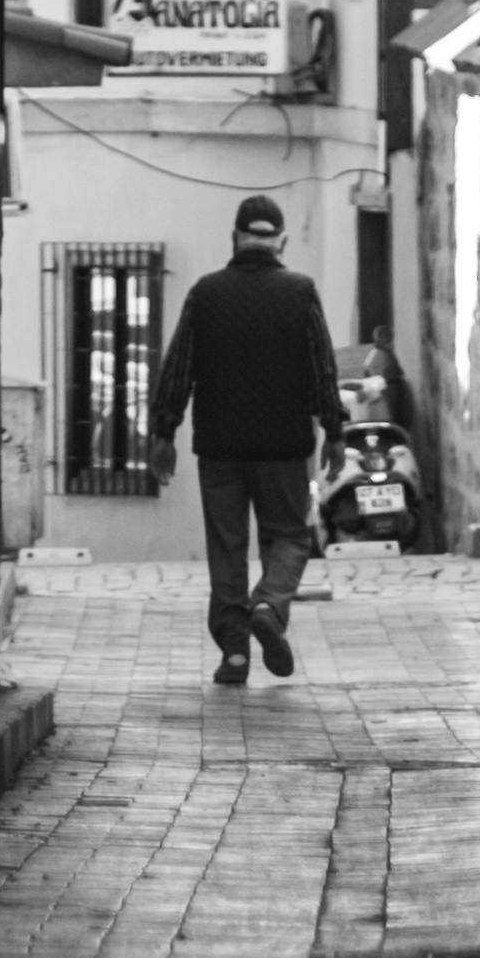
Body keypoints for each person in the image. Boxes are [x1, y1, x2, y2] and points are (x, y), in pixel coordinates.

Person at [150, 191, 341, 688]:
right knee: (290, 536)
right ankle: (270, 606)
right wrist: (335, 430)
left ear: (235, 237)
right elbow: (322, 365)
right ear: (280, 240)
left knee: (227, 547)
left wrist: (163, 431)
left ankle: (234, 654)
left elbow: (178, 368)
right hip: (283, 445)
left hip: (220, 447)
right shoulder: (300, 292)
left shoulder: (206, 293)